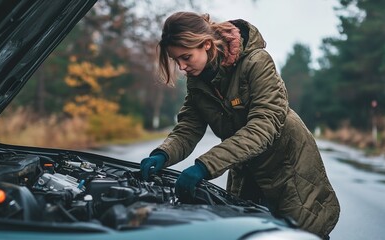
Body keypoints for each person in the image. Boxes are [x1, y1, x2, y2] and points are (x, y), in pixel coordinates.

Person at [139, 11, 339, 239]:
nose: (182, 67)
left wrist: (204, 166)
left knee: (297, 233)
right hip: (245, 168)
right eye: (176, 60)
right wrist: (162, 154)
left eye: (186, 57)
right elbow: (188, 128)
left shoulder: (256, 62)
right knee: (244, 232)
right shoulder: (198, 81)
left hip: (288, 170)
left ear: (206, 45)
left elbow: (264, 127)